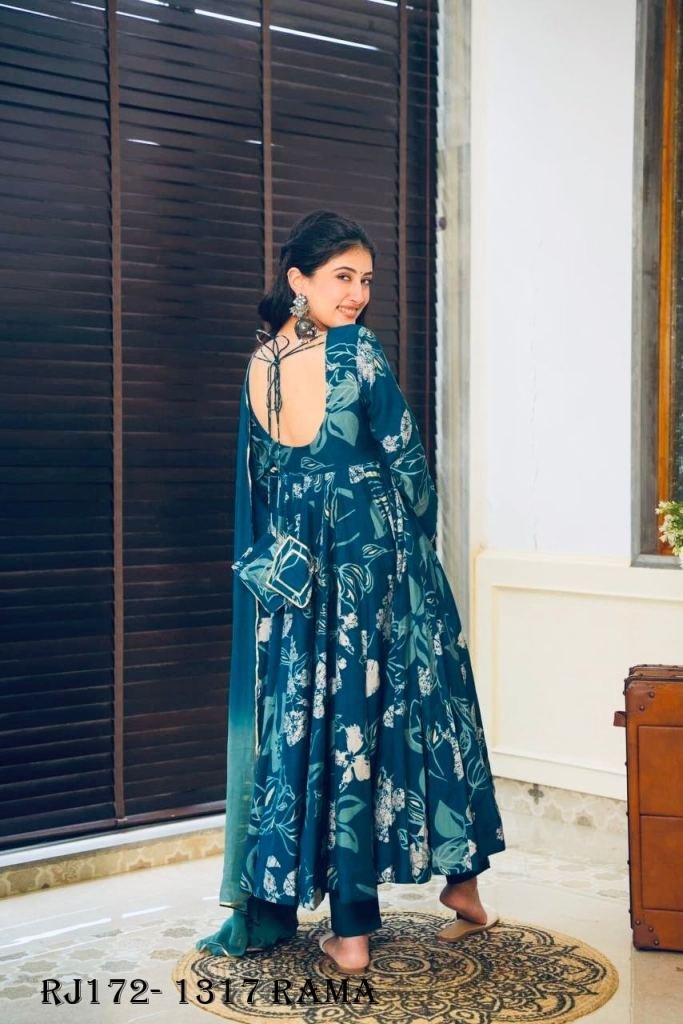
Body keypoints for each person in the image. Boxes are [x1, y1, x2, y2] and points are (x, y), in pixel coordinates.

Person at [196, 210, 505, 974]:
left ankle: (365, 925)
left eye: (365, 280)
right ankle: (428, 899)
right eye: (342, 277)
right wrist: (418, 541)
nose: (358, 294)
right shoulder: (355, 351)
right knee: (424, 708)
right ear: (297, 280)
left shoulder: (258, 365)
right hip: (379, 566)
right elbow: (407, 458)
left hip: (302, 586)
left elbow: (264, 487)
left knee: (328, 730)